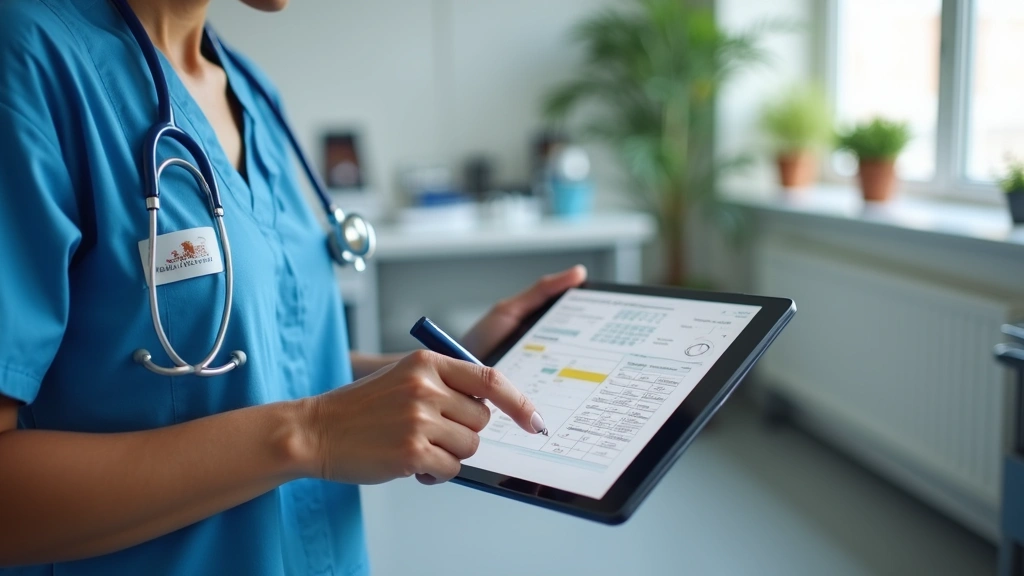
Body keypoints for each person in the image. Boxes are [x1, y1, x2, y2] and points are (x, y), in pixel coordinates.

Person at [0, 0, 588, 574]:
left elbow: (269, 357)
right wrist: (311, 434)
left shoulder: (250, 90)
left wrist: (435, 372)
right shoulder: (28, 58)